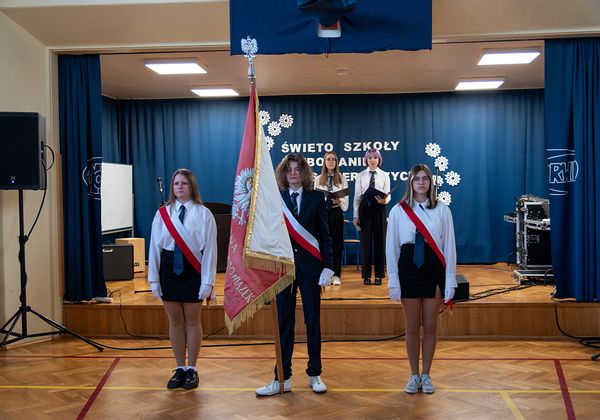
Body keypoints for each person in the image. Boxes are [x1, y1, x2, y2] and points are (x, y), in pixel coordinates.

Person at [256, 153, 334, 397]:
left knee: (313, 322)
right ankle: (282, 377)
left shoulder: (316, 198)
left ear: (304, 172)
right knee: (284, 324)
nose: (293, 173)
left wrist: (329, 267)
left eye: (297, 169)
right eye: (289, 169)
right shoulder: (275, 199)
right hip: (284, 270)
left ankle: (314, 373)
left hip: (311, 269)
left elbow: (325, 235)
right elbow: (268, 236)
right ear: (283, 173)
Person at [385, 164, 456, 394]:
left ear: (431, 182)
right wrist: (393, 281)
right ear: (410, 182)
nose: (421, 183)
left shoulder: (442, 210)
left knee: (431, 326)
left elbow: (449, 247)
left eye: (425, 179)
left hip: (433, 269)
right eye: (417, 179)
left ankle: (426, 375)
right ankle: (413, 375)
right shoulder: (398, 210)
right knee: (412, 327)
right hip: (408, 269)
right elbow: (392, 248)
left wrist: (450, 281)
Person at [148, 168, 217, 390]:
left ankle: (192, 369)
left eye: (184, 183)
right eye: (176, 183)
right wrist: (154, 280)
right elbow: (154, 248)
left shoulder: (204, 214)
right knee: (175, 321)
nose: (179, 187)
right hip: (169, 269)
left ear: (192, 187)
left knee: (192, 320)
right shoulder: (163, 214)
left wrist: (208, 281)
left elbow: (210, 251)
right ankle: (179, 368)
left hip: (193, 270)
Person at [353, 148, 390, 285]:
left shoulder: (385, 175)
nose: (373, 160)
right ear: (366, 160)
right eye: (370, 158)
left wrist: (385, 200)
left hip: (379, 208)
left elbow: (388, 193)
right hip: (365, 209)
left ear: (379, 159)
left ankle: (379, 275)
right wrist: (355, 215)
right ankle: (366, 276)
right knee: (366, 243)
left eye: (375, 157)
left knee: (380, 242)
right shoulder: (360, 175)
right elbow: (357, 197)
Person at [314, 151, 349, 286]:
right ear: (324, 162)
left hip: (336, 213)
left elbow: (346, 198)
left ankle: (336, 275)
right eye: (328, 159)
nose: (331, 162)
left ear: (336, 162)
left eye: (333, 159)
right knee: (323, 243)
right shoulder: (318, 179)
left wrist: (340, 201)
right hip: (323, 213)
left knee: (337, 244)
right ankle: (324, 273)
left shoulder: (341, 178)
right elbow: (315, 199)